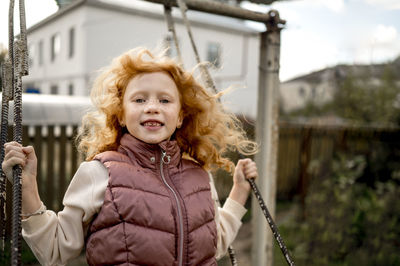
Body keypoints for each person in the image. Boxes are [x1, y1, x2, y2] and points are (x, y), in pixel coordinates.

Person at [2, 47, 258, 266]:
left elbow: (214, 243)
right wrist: (27, 190)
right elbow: (54, 250)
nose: (152, 107)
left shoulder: (199, 175)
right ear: (121, 114)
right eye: (139, 99)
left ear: (180, 116)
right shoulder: (100, 173)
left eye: (165, 100)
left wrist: (239, 192)